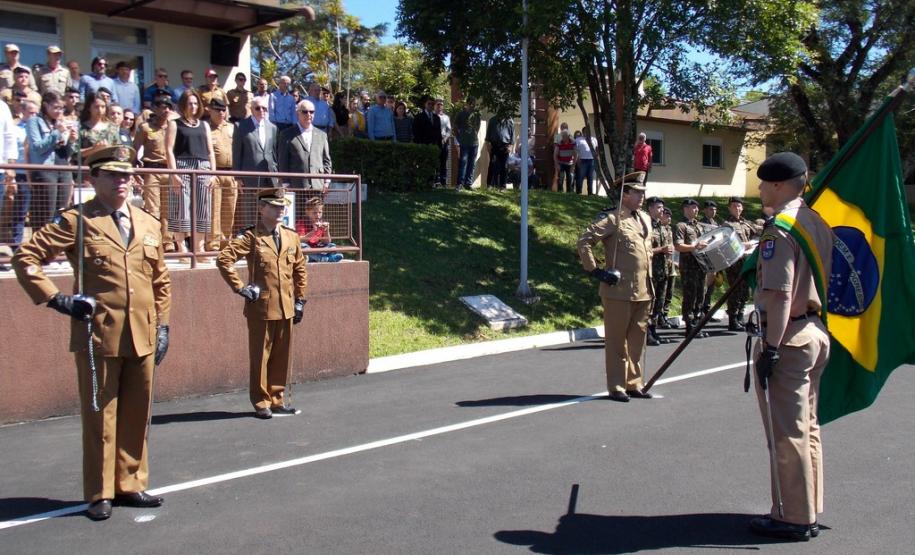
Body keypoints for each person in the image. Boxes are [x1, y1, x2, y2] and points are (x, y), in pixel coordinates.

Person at [12, 145, 171, 521]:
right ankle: (101, 492)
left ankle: (130, 483)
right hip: (99, 334)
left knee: (137, 413)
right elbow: (25, 257)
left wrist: (164, 324)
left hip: (143, 333)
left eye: (126, 174)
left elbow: (161, 280)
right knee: (101, 415)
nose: (122, 181)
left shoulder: (148, 222)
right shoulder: (77, 220)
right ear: (93, 178)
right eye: (112, 174)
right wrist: (57, 299)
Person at [747, 152, 833, 542]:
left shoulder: (780, 230)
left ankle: (792, 516)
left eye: (765, 183)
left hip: (789, 336)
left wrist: (771, 348)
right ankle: (808, 508)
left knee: (786, 433)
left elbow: (780, 294)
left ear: (779, 185)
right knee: (807, 428)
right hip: (814, 330)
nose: (761, 188)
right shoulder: (815, 222)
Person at [217, 188, 307, 419]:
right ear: (261, 208)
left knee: (281, 355)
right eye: (274, 206)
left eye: (282, 206)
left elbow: (299, 269)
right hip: (262, 307)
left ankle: (277, 399)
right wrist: (240, 287)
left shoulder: (291, 236)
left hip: (286, 306)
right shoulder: (251, 236)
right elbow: (224, 259)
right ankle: (261, 401)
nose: (280, 210)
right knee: (260, 356)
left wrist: (300, 299)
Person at [577, 171, 655, 402]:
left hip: (644, 290)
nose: (641, 197)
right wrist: (596, 270)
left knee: (637, 341)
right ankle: (617, 386)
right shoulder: (612, 219)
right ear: (625, 194)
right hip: (619, 291)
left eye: (643, 193)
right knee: (616, 341)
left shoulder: (645, 218)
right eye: (637, 193)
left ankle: (634, 383)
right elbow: (584, 241)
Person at [165, 89, 216, 253]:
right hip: (182, 166)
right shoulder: (174, 124)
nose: (193, 106)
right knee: (181, 207)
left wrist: (213, 173)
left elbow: (210, 151)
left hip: (203, 167)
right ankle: (181, 248)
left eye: (195, 103)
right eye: (189, 103)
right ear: (183, 105)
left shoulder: (204, 125)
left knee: (203, 208)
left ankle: (199, 247)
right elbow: (169, 150)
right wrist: (174, 173)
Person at [277, 99, 332, 229]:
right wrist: (286, 184)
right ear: (298, 113)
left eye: (311, 112)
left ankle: (314, 241)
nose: (309, 114)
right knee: (297, 221)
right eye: (305, 111)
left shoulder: (321, 135)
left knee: (315, 221)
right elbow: (283, 160)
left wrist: (326, 181)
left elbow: (326, 160)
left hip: (317, 186)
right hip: (296, 187)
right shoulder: (286, 134)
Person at [26, 91, 77, 228]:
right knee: (46, 214)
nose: (59, 111)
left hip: (63, 169)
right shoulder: (34, 121)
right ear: (45, 105)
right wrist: (57, 132)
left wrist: (72, 141)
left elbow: (67, 152)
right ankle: (42, 240)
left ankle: (57, 240)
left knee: (62, 212)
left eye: (61, 108)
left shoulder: (61, 122)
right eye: (55, 107)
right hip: (46, 170)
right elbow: (37, 147)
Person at [232, 95, 278, 231]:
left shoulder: (272, 128)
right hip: (250, 177)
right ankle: (251, 239)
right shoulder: (241, 126)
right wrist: (238, 177)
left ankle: (267, 238)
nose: (261, 111)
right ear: (251, 109)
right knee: (251, 213)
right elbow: (237, 152)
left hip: (269, 177)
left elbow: (274, 152)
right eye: (258, 108)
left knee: (269, 212)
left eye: (264, 108)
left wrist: (277, 174)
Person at [133, 94, 173, 245]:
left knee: (169, 209)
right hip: (152, 171)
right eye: (163, 107)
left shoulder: (172, 127)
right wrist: (135, 170)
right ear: (155, 109)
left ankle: (167, 242)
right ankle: (153, 240)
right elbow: (135, 149)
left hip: (169, 170)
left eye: (168, 107)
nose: (166, 110)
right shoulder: (145, 128)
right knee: (153, 208)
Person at [723, 196, 762, 331]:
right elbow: (727, 241)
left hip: (746, 260)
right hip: (734, 262)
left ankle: (740, 315)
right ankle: (732, 319)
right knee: (735, 290)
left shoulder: (746, 223)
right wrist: (743, 244)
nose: (737, 208)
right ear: (729, 208)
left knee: (745, 291)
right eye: (734, 206)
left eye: (739, 206)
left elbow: (758, 230)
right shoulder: (727, 225)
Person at [674, 198, 709, 338]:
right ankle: (689, 325)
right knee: (690, 295)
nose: (696, 210)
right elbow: (678, 246)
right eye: (693, 207)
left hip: (701, 265)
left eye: (697, 207)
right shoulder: (681, 226)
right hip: (689, 267)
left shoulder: (698, 226)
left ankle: (697, 323)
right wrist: (694, 247)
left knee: (701, 294)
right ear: (686, 209)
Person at [205, 97, 237, 249]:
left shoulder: (231, 128)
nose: (221, 113)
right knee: (214, 209)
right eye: (217, 110)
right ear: (210, 110)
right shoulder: (206, 128)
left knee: (229, 209)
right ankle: (213, 243)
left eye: (223, 110)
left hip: (231, 173)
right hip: (215, 172)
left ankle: (226, 242)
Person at [647, 196, 673, 345]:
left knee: (659, 303)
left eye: (662, 207)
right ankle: (646, 333)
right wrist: (661, 250)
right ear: (650, 208)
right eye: (658, 207)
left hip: (663, 270)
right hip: (651, 271)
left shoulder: (662, 227)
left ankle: (654, 330)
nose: (661, 210)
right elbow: (644, 250)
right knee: (650, 303)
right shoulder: (646, 226)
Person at [699, 200, 723, 321]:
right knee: (704, 286)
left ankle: (707, 311)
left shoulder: (715, 223)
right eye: (710, 209)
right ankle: (699, 310)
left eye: (714, 209)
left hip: (714, 258)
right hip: (704, 259)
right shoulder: (700, 224)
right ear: (705, 210)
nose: (713, 211)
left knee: (711, 287)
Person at [79, 93, 121, 159]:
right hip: (89, 164)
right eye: (96, 107)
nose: (100, 110)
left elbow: (118, 148)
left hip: (109, 163)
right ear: (89, 108)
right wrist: (93, 149)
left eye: (103, 107)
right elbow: (74, 154)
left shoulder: (112, 127)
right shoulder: (81, 128)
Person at [302, 197, 343, 262]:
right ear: (307, 212)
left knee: (332, 246)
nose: (317, 215)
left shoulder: (321, 223)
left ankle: (323, 258)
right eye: (314, 213)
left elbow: (327, 242)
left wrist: (326, 230)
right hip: (308, 249)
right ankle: (326, 259)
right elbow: (300, 240)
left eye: (320, 212)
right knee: (301, 246)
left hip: (319, 249)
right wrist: (314, 231)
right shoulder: (302, 223)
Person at [454, 98, 480, 190]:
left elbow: (478, 127)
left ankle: (468, 183)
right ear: (467, 104)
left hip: (474, 143)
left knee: (472, 163)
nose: (473, 106)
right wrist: (459, 138)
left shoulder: (476, 115)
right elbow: (455, 127)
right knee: (463, 162)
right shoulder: (461, 114)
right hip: (464, 143)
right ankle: (459, 184)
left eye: (474, 104)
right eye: (471, 104)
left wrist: (474, 136)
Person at [485, 114, 514, 189]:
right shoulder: (492, 120)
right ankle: (489, 185)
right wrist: (488, 146)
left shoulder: (510, 121)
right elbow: (488, 136)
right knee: (492, 165)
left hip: (505, 146)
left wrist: (510, 147)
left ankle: (503, 186)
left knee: (504, 167)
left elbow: (512, 137)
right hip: (494, 146)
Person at [574, 127, 598, 195]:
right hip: (582, 160)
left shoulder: (594, 139)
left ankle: (590, 193)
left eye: (588, 131)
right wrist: (577, 159)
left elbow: (597, 149)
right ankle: (579, 192)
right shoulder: (578, 140)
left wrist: (596, 157)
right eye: (585, 131)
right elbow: (575, 150)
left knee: (590, 177)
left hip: (591, 160)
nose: (587, 133)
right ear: (583, 132)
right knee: (580, 176)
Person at [434, 99, 452, 186]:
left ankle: (443, 181)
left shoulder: (446, 117)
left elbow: (449, 130)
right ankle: (435, 181)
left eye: (441, 105)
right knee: (435, 161)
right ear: (434, 106)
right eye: (438, 104)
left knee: (443, 161)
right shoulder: (432, 116)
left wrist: (445, 138)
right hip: (434, 141)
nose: (439, 106)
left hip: (444, 141)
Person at [553, 129, 576, 193]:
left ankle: (569, 192)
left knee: (569, 179)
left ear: (568, 136)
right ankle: (560, 192)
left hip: (570, 163)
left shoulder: (573, 142)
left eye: (564, 136)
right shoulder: (559, 143)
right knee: (560, 179)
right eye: (562, 136)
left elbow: (576, 154)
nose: (563, 137)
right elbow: (555, 155)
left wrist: (573, 166)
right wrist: (557, 165)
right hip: (561, 163)